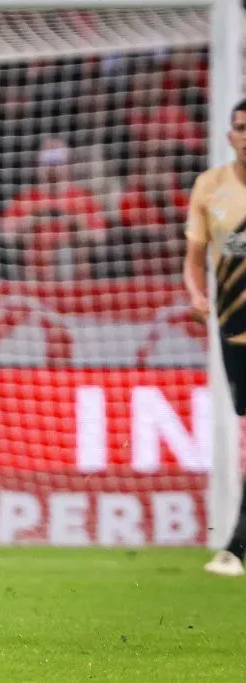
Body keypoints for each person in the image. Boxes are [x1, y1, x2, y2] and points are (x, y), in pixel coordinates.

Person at [184, 97, 246, 578]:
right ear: (229, 135)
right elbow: (194, 258)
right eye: (240, 127)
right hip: (233, 328)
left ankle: (236, 546)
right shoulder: (211, 185)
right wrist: (195, 292)